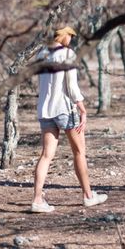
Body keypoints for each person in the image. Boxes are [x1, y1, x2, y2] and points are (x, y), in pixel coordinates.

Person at [30, 25, 108, 213]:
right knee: (79, 152)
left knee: (46, 155)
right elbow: (71, 86)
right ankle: (88, 196)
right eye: (70, 36)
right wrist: (82, 108)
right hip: (65, 109)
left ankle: (37, 200)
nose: (71, 39)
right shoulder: (67, 54)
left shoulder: (41, 54)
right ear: (63, 36)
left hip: (45, 110)